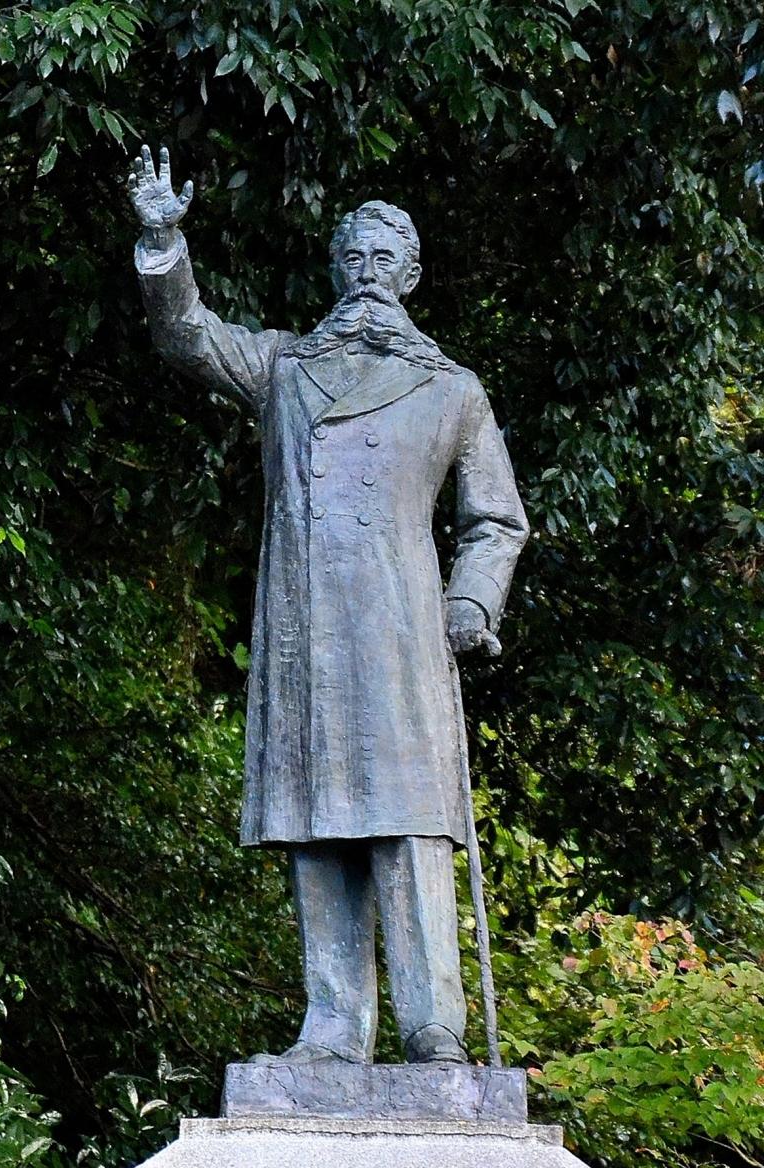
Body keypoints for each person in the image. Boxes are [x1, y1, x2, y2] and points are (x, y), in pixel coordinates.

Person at [129, 145, 529, 1066]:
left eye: (385, 260)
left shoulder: (452, 390)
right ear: (336, 271)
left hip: (401, 630)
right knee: (317, 817)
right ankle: (333, 1025)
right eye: (353, 258)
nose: (367, 273)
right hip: (304, 630)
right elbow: (187, 334)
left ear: (411, 276)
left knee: (410, 818)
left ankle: (433, 1024)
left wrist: (471, 603)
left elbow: (495, 519)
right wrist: (162, 243)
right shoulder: (283, 367)